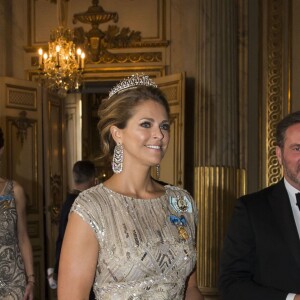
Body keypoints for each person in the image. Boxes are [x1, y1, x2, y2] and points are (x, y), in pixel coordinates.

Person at [57, 74, 203, 300]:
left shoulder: (181, 202)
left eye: (164, 125)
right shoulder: (91, 208)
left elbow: (190, 287)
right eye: (146, 124)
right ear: (117, 134)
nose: (160, 134)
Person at [218, 111, 300, 300]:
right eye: (297, 148)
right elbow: (231, 284)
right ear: (279, 155)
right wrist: (291, 299)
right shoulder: (251, 209)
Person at [0, 127, 35, 299]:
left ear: (1, 150)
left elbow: (23, 236)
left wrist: (31, 280)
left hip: (13, 282)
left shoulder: (15, 191)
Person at [53, 160, 96, 299]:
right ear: (93, 180)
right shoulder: (83, 205)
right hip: (78, 267)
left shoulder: (69, 201)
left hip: (65, 264)